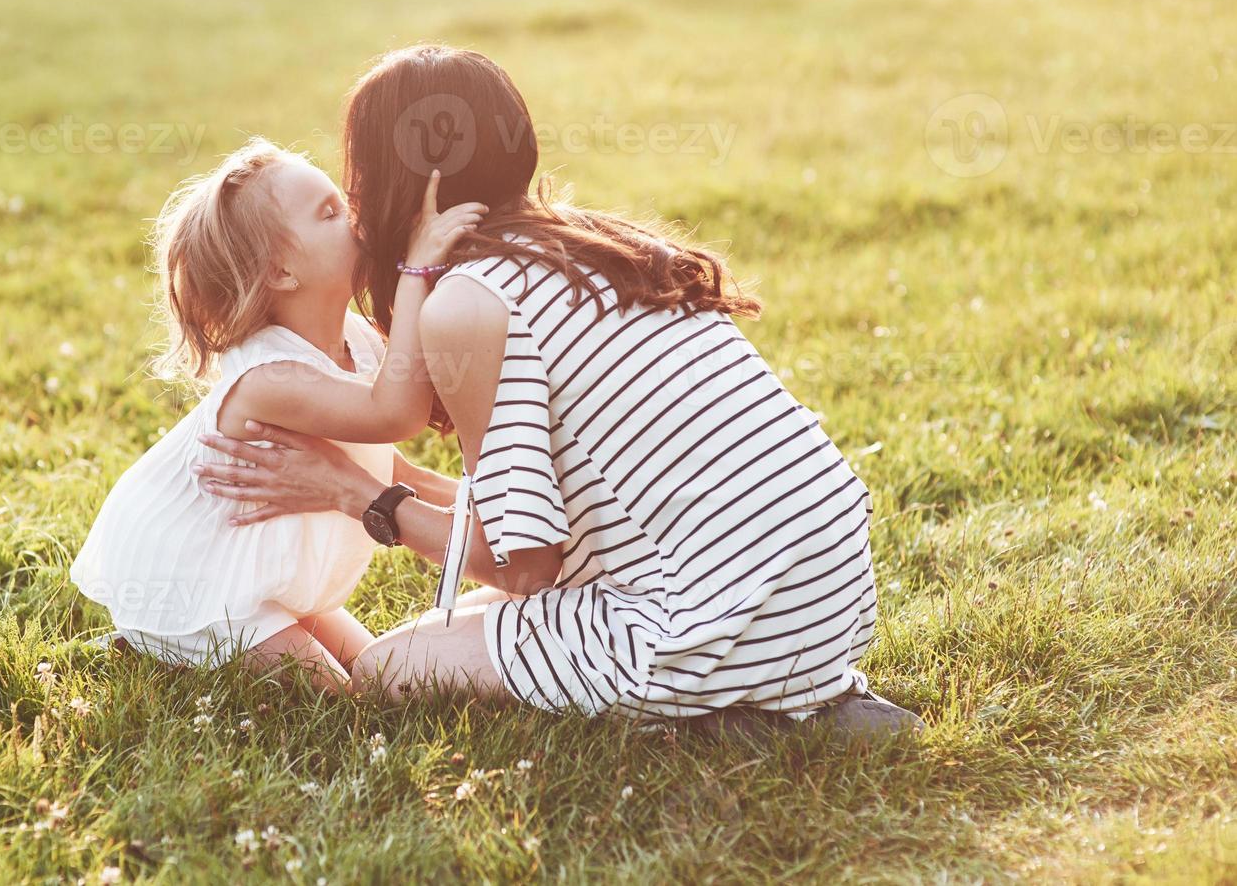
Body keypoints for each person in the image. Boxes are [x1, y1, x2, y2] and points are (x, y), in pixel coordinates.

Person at [195, 46, 922, 737]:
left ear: (404, 181)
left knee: (392, 668)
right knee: (454, 627)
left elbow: (527, 566)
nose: (354, 202)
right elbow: (553, 527)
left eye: (358, 170)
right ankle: (789, 694)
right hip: (823, 592)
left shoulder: (467, 304)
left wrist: (357, 496)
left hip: (717, 623)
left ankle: (727, 716)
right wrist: (386, 478)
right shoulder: (593, 241)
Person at [70, 135, 485, 690]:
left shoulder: (356, 340)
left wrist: (496, 510)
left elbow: (393, 472)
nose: (354, 217)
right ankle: (164, 639)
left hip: (260, 576)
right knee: (344, 702)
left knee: (381, 675)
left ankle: (164, 642)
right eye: (330, 213)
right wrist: (417, 272)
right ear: (282, 273)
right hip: (195, 580)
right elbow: (397, 415)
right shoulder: (270, 378)